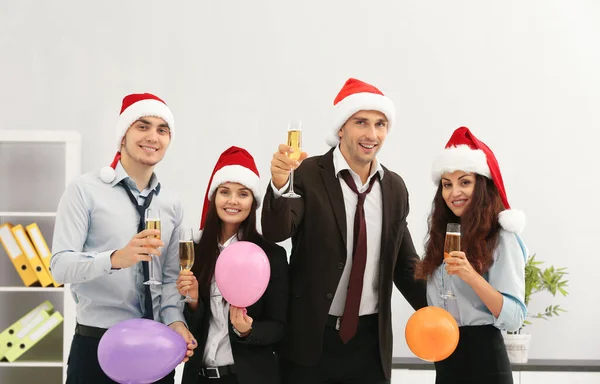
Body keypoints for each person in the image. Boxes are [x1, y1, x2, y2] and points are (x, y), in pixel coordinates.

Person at [261, 78, 427, 384]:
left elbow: (404, 266)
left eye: (380, 124)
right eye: (361, 122)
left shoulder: (394, 188)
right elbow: (275, 232)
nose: (372, 134)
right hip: (311, 341)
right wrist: (280, 184)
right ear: (341, 128)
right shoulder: (308, 173)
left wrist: (444, 312)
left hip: (369, 346)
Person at [51, 93, 196, 384]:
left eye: (162, 129)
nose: (153, 136)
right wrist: (116, 259)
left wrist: (176, 322)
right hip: (97, 350)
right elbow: (60, 266)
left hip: (155, 351)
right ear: (122, 136)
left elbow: (170, 279)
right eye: (142, 126)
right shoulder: (84, 190)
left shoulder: (171, 203)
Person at [415, 126, 527, 384]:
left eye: (464, 182)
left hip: (485, 361)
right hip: (445, 360)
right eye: (447, 184)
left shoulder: (502, 238)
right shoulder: (443, 237)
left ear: (482, 185)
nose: (454, 192)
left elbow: (514, 318)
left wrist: (472, 277)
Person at [177, 146, 289, 384]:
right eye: (225, 192)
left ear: (253, 202)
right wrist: (193, 302)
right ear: (214, 197)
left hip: (246, 378)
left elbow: (280, 326)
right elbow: (191, 328)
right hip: (200, 377)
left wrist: (248, 330)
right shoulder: (195, 252)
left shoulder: (270, 256)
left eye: (243, 194)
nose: (232, 201)